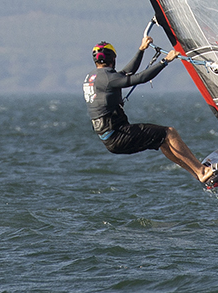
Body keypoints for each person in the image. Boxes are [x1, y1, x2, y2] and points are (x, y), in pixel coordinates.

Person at [84, 34, 210, 182]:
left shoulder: (93, 76)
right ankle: (201, 171)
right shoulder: (108, 78)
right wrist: (165, 61)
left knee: (162, 140)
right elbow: (138, 78)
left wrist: (141, 50)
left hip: (110, 138)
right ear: (113, 59)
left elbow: (126, 73)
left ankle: (198, 173)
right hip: (118, 135)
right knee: (169, 133)